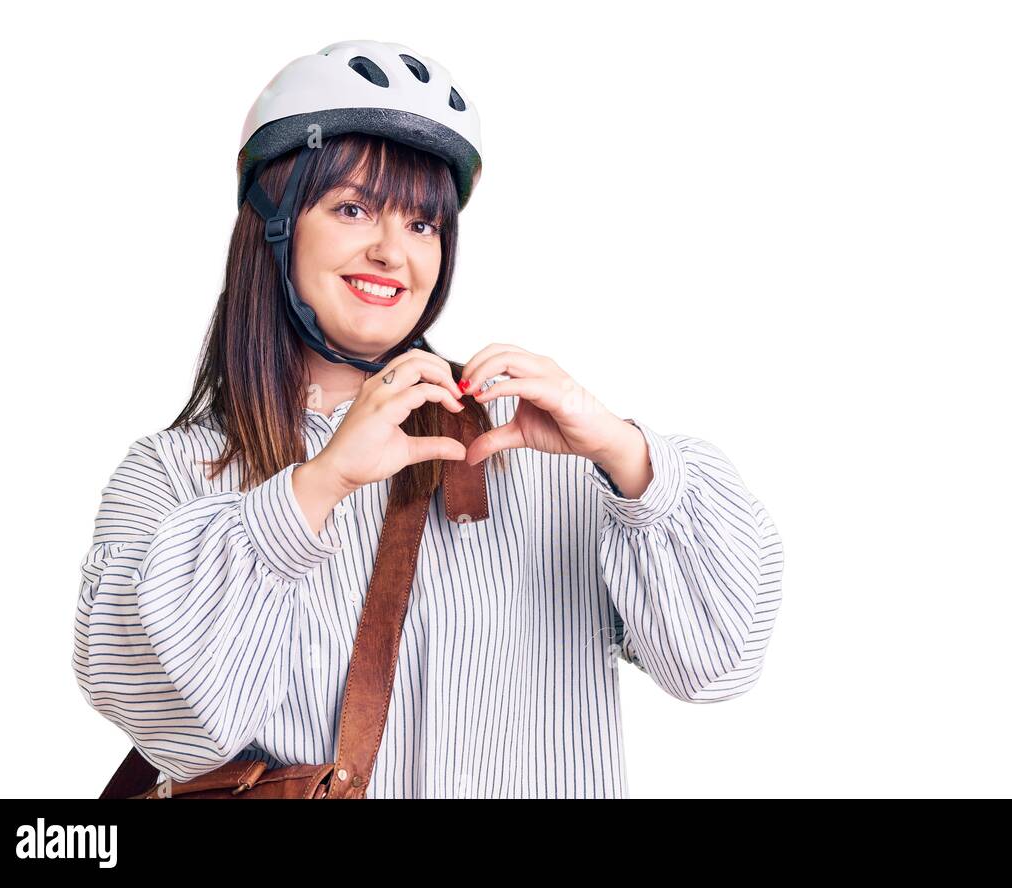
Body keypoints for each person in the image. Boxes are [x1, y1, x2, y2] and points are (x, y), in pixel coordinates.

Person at [72, 39, 785, 798]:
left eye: (422, 224)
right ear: (274, 228)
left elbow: (719, 662)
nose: (392, 252)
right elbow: (168, 719)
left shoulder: (535, 447)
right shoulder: (178, 473)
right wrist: (311, 491)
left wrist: (626, 456)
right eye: (352, 209)